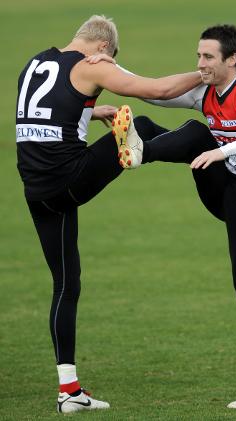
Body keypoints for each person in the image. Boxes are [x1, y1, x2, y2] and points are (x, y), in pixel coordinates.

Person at [15, 14, 202, 414]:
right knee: (144, 124)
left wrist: (92, 112)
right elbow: (159, 88)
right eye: (111, 60)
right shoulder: (91, 65)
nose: (109, 67)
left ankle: (70, 392)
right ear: (102, 49)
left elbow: (46, 115)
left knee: (67, 283)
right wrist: (207, 73)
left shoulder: (35, 63)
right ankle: (201, 157)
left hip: (38, 191)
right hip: (68, 179)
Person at [111, 24, 236, 409]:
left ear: (232, 59)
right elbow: (153, 91)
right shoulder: (205, 92)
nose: (200, 64)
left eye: (208, 57)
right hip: (222, 189)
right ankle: (140, 145)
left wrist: (222, 152)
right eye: (198, 56)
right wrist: (109, 68)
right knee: (160, 125)